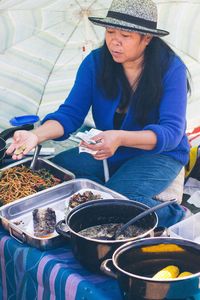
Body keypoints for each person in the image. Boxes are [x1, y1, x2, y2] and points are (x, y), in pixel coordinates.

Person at [6, 0, 191, 227]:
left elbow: (172, 132)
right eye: (110, 31)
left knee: (117, 202)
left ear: (147, 38)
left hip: (159, 153)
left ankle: (176, 215)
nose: (115, 41)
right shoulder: (95, 62)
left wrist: (120, 138)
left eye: (126, 35)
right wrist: (36, 136)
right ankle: (103, 195)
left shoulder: (171, 69)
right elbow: (70, 114)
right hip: (109, 149)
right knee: (58, 174)